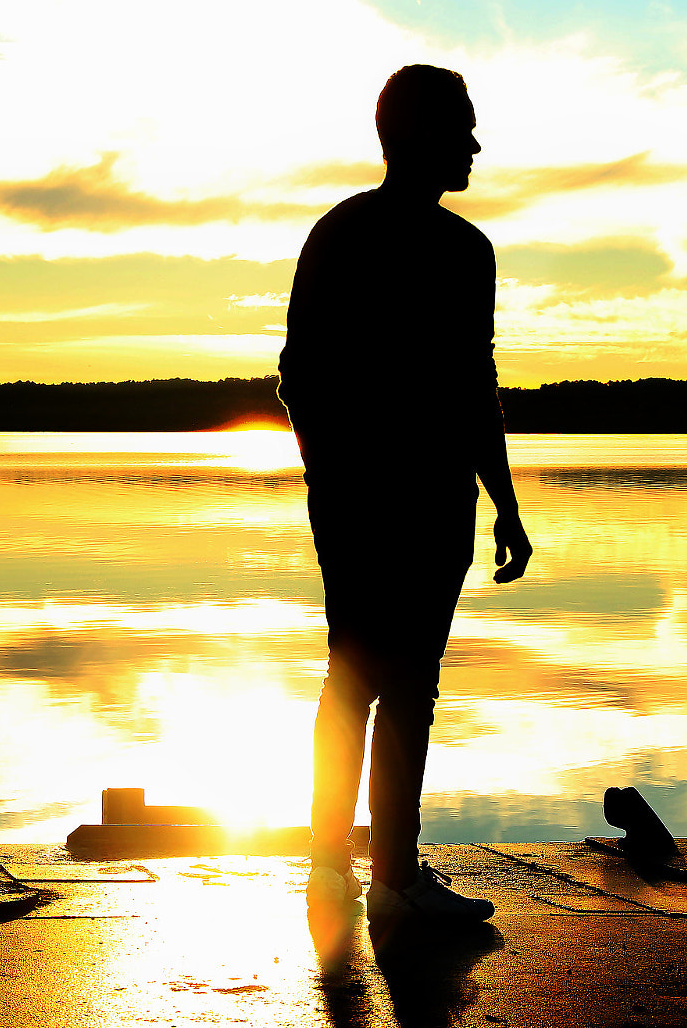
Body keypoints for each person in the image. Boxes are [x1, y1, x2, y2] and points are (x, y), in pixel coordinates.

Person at [278, 64, 532, 925]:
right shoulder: (355, 236)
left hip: (426, 500)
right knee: (376, 680)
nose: (474, 143)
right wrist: (334, 478)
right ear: (416, 134)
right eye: (462, 125)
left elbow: (472, 388)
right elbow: (301, 377)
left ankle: (366, 871)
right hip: (377, 499)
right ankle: (366, 872)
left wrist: (503, 502)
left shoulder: (459, 251)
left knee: (382, 681)